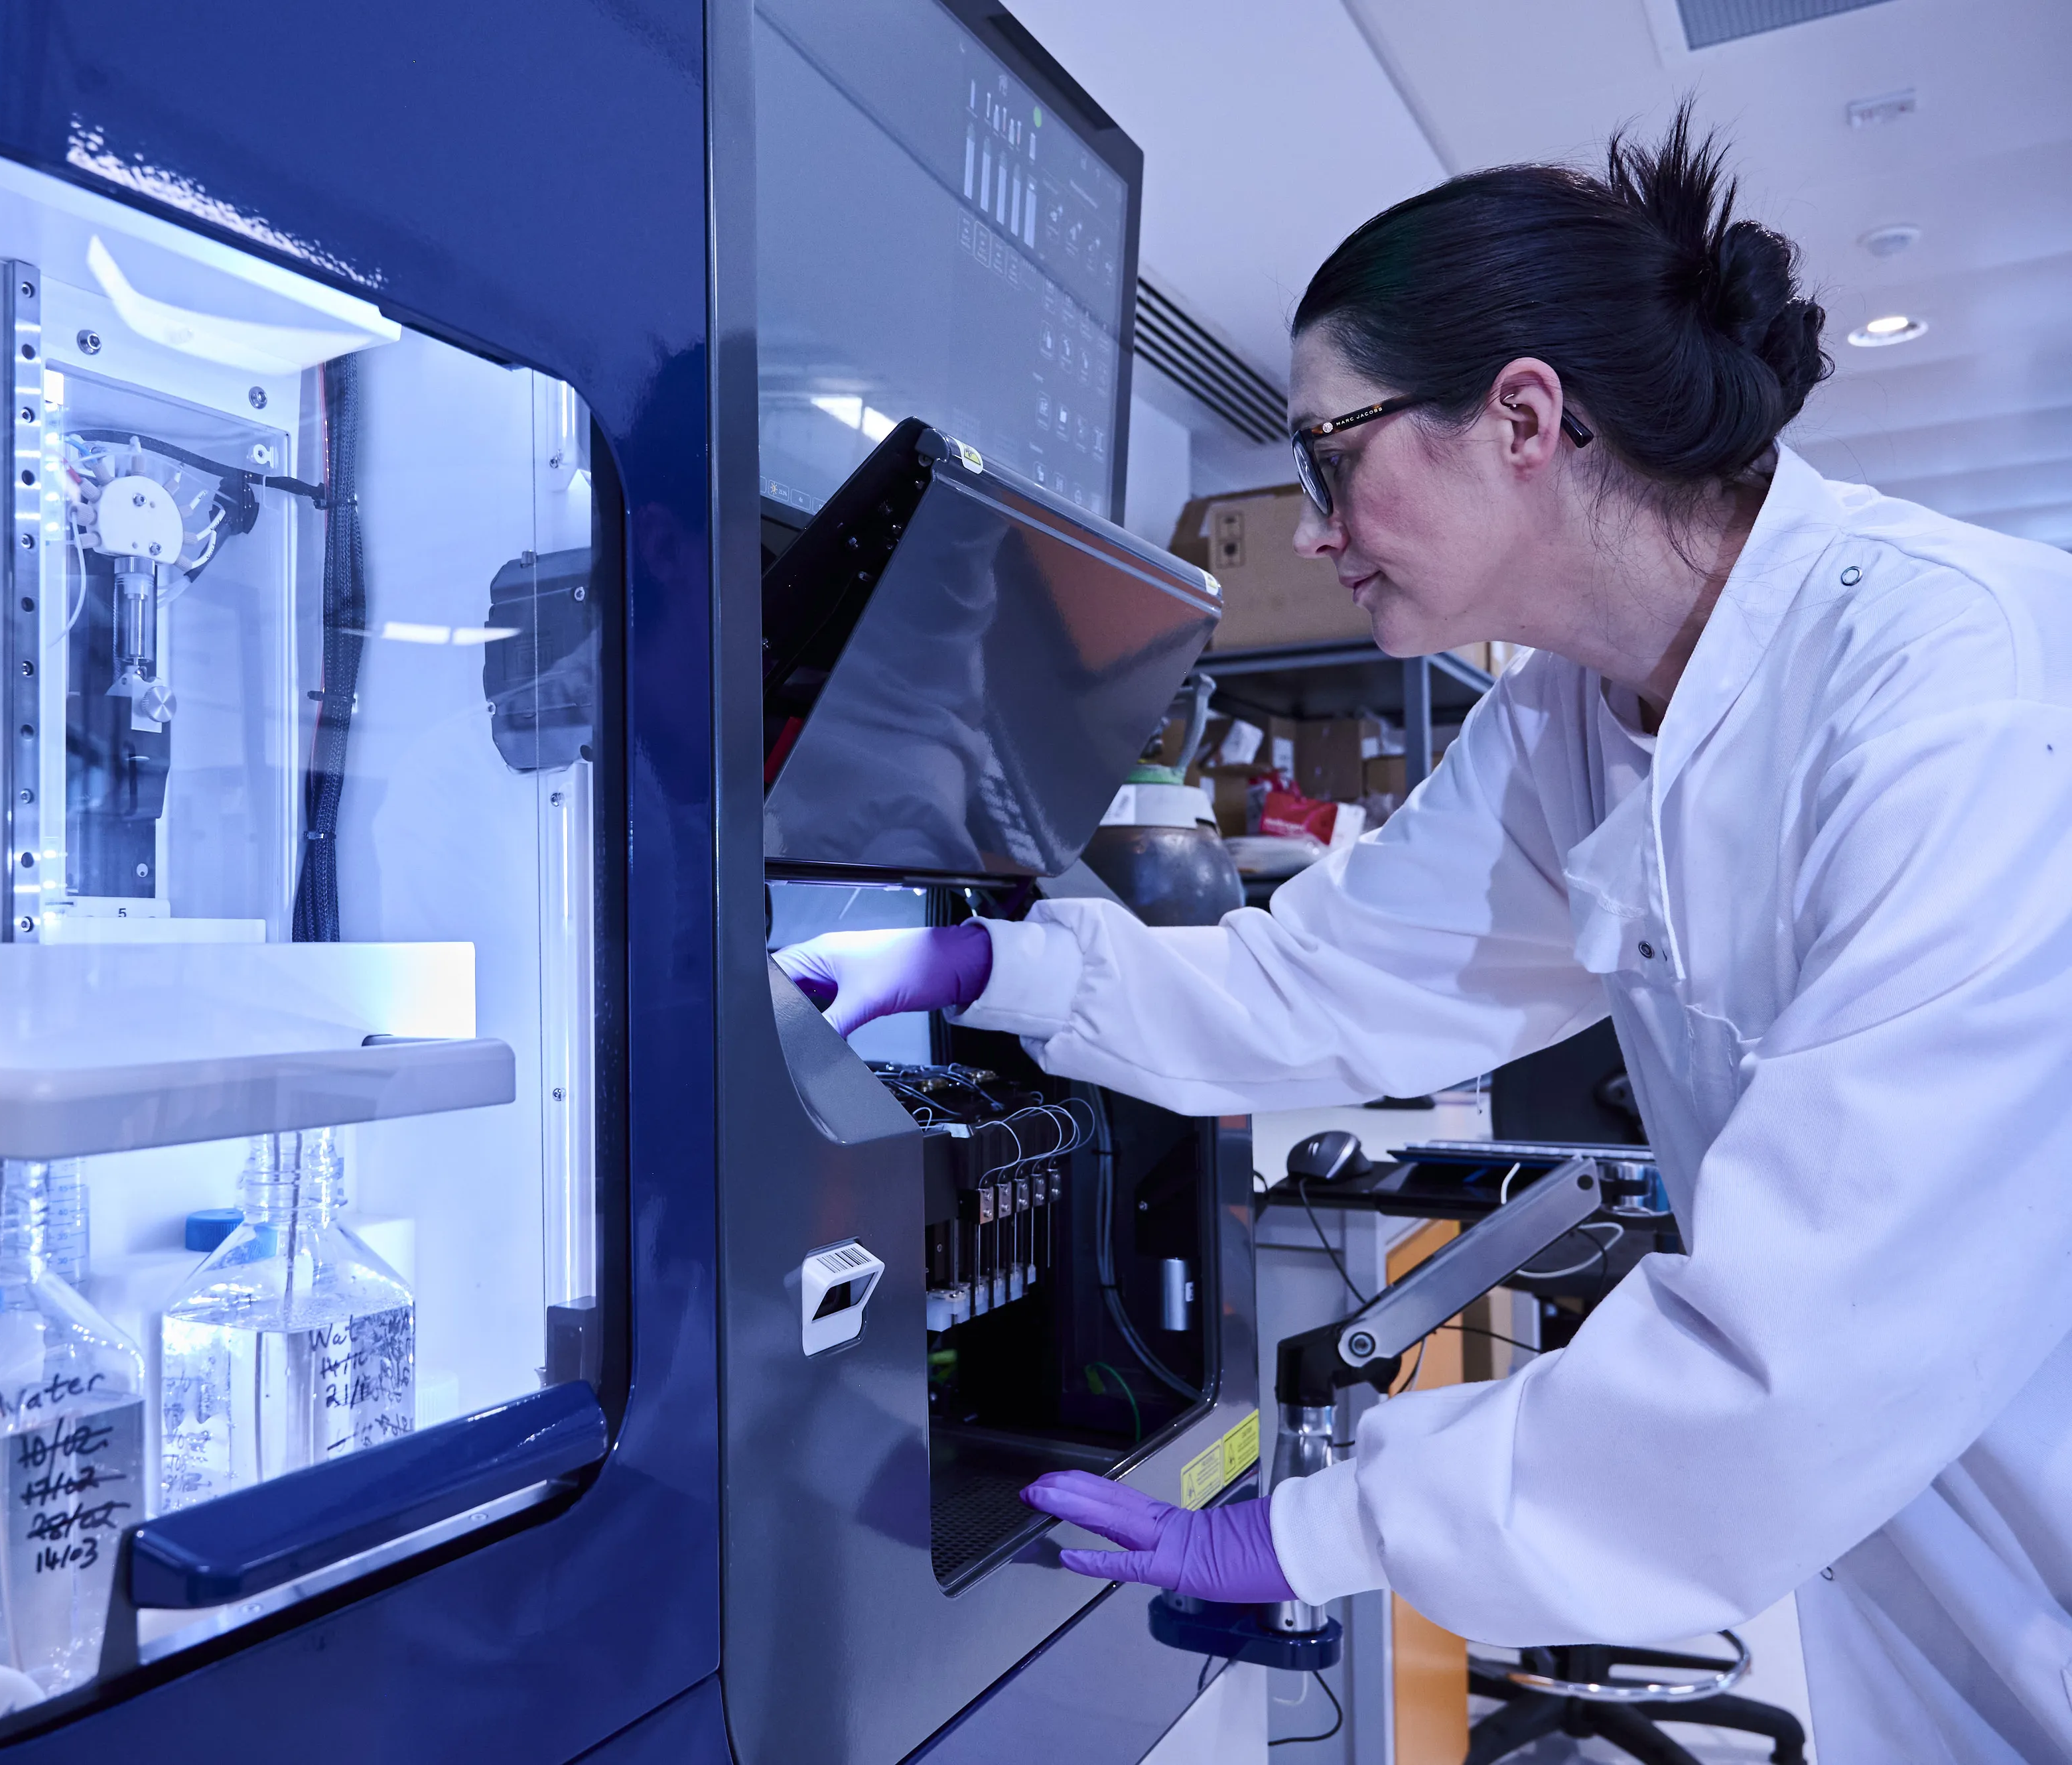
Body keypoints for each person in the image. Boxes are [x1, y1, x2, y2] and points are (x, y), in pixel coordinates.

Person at [774, 111, 2072, 1762]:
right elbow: (1319, 983)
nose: (1309, 529)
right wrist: (990, 967)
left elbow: (1792, 1357)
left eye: (1328, 453)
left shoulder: (1956, 692)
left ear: (1522, 418)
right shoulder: (1572, 721)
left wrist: (1316, 1527)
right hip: (1934, 1572)